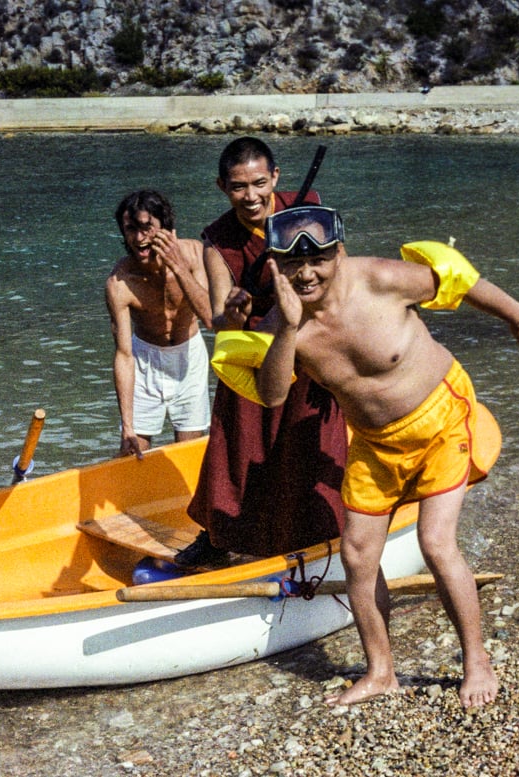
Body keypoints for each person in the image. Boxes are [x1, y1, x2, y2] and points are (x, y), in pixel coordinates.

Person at [246, 205, 519, 707]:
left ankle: (477, 661)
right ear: (274, 266)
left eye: (319, 260)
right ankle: (381, 672)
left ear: (339, 253)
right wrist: (287, 329)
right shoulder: (280, 325)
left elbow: (454, 279)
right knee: (356, 554)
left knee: (436, 543)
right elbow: (270, 395)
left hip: (441, 416)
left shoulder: (380, 280)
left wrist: (514, 312)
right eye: (291, 264)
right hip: (374, 443)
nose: (306, 273)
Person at [177, 138, 348, 566]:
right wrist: (236, 312)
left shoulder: (305, 208)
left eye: (258, 183)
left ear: (275, 177)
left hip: (307, 344)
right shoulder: (218, 239)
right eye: (238, 187)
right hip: (255, 351)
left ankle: (321, 539)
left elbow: (339, 271)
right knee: (239, 448)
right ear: (222, 186)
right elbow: (220, 320)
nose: (250, 196)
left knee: (308, 444)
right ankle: (218, 537)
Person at [106, 189, 213, 458]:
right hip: (144, 361)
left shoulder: (195, 255)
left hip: (189, 355)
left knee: (188, 455)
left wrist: (177, 266)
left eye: (146, 228)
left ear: (166, 228)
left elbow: (211, 318)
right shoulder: (120, 282)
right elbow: (123, 354)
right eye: (131, 229)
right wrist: (126, 427)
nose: (139, 238)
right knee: (132, 456)